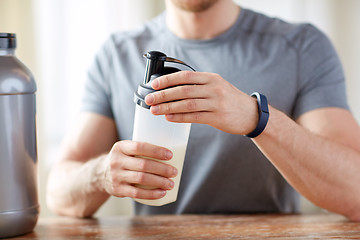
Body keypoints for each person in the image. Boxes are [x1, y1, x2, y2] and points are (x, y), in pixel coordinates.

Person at [46, 0, 360, 220]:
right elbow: (59, 195)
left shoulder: (302, 46)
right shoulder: (116, 54)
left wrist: (256, 117)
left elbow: (354, 192)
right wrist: (100, 174)